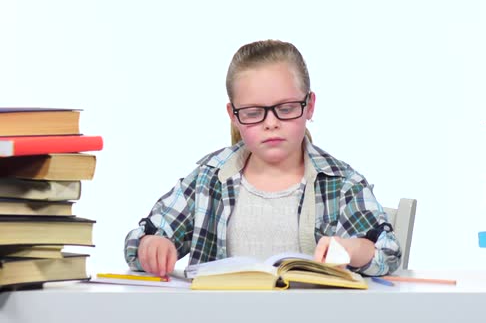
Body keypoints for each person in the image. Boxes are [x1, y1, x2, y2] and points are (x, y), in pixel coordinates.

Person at [124, 39, 401, 277]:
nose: (271, 123)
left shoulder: (341, 184)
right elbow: (138, 242)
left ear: (310, 106)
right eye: (254, 113)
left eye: (287, 108)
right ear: (234, 116)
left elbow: (388, 251)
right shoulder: (209, 178)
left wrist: (355, 250)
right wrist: (152, 245)